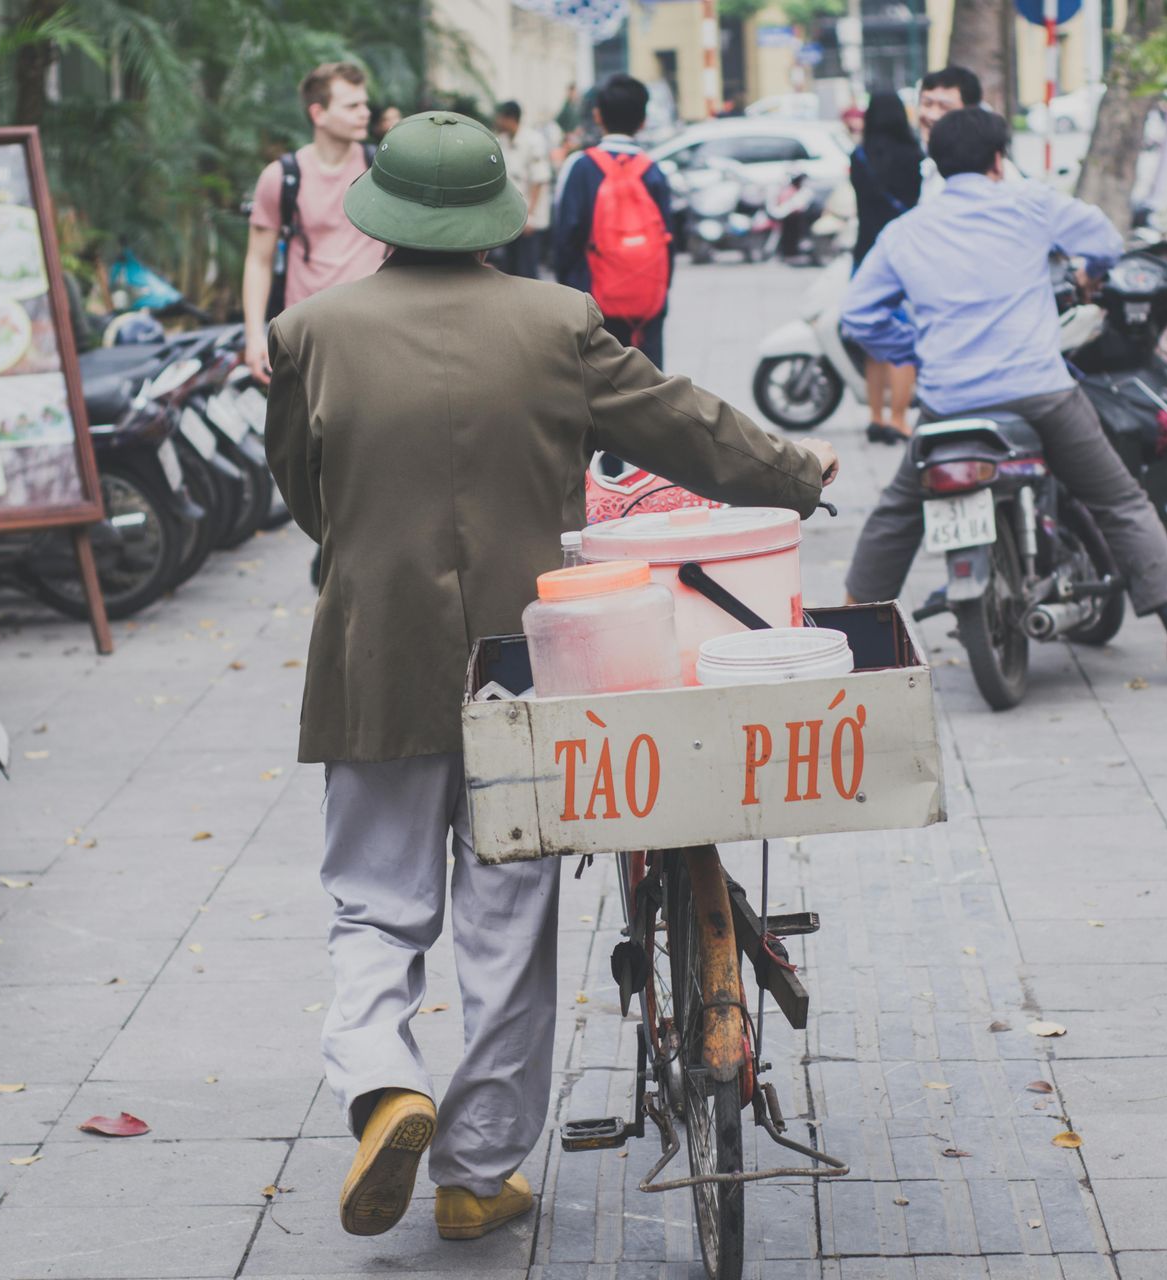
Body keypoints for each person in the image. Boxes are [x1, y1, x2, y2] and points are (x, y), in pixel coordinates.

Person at [263, 110, 838, 1244]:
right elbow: (683, 427)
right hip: (534, 665)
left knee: (375, 904)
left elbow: (305, 493)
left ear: (379, 210)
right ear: (492, 216)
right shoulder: (558, 321)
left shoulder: (308, 331)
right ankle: (477, 1172)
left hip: (373, 660)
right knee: (506, 922)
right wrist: (794, 468)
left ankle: (386, 1083)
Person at [841, 108, 1167, 676]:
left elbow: (857, 315)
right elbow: (1103, 240)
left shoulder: (905, 232)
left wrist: (911, 349)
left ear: (938, 164)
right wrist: (1091, 273)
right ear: (998, 160)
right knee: (1119, 500)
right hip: (1040, 394)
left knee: (896, 515)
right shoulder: (1028, 202)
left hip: (949, 405)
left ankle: (848, 646)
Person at [241, 62, 382, 385]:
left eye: (365, 104)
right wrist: (253, 336)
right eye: (352, 106)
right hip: (307, 337)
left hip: (375, 335)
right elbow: (258, 261)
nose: (365, 113)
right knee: (312, 433)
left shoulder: (381, 172)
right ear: (318, 114)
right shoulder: (281, 177)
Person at [552, 75, 673, 367]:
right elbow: (668, 241)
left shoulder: (580, 167)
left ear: (597, 115)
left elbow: (564, 240)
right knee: (649, 391)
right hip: (646, 308)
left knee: (596, 393)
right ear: (643, 120)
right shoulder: (654, 171)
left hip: (592, 305)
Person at [848, 91, 923, 447]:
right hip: (904, 255)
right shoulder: (914, 157)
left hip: (866, 255)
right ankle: (898, 418)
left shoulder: (859, 157)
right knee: (902, 340)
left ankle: (875, 417)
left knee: (872, 342)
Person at [492, 101, 552, 279]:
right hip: (508, 218)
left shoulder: (533, 141)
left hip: (528, 220)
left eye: (501, 118)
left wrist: (530, 216)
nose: (497, 121)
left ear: (510, 119)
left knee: (527, 271)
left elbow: (539, 180)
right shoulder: (501, 140)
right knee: (509, 270)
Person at [917, 65, 982, 194]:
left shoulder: (986, 170)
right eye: (927, 103)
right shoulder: (930, 165)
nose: (932, 115)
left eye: (944, 107)